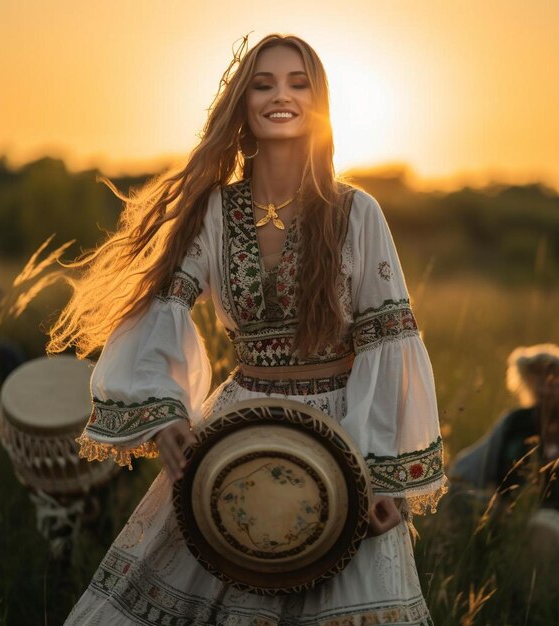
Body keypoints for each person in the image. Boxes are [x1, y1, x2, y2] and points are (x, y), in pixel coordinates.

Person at [52, 33, 447, 625]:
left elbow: (386, 345)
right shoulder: (213, 210)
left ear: (321, 102)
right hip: (236, 427)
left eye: (298, 84)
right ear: (242, 104)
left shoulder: (357, 212)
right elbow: (161, 309)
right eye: (263, 85)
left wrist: (382, 475)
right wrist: (165, 418)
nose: (280, 96)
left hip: (343, 434)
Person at [450, 344, 559, 558]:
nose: (546, 387)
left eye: (557, 380)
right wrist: (493, 511)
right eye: (539, 377)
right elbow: (461, 476)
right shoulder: (513, 425)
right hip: (501, 546)